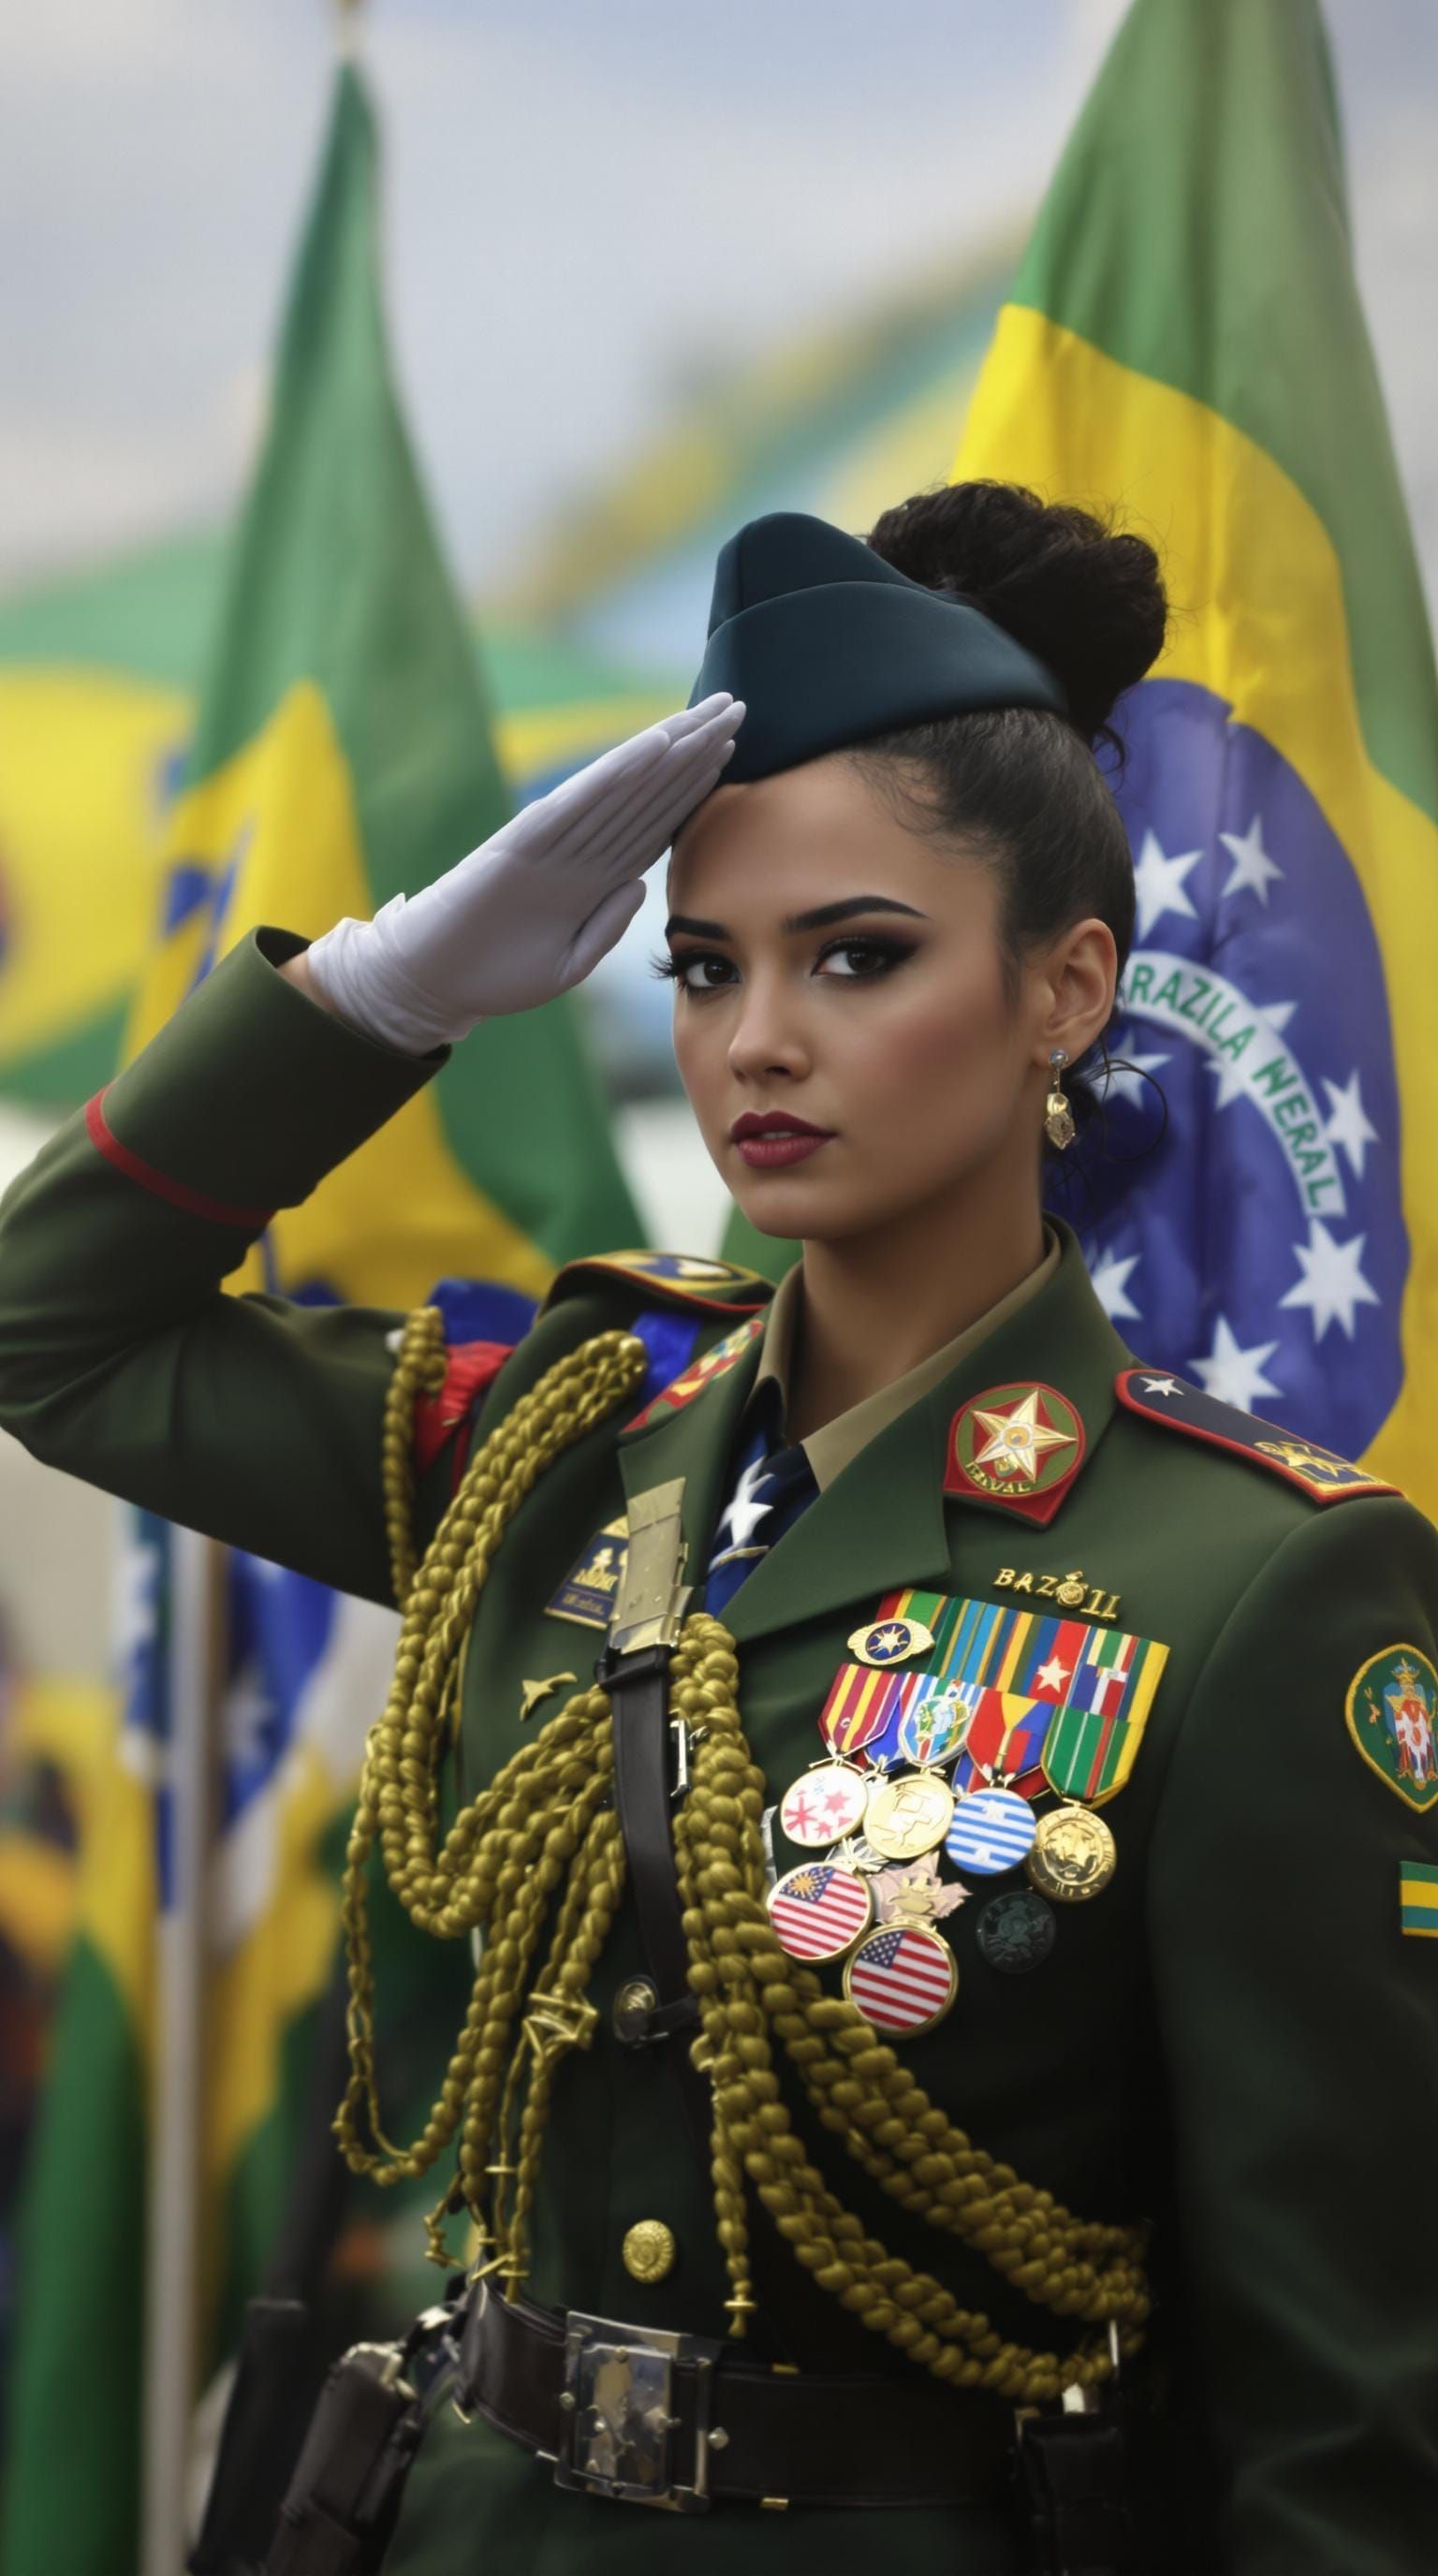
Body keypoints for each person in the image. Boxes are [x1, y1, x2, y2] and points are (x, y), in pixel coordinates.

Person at [0, 482, 1434, 2576]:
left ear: (1065, 988)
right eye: (702, 965)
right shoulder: (562, 1450)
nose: (757, 1037)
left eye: (859, 955)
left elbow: (1348, 2417)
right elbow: (52, 1329)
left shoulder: (1255, 1582)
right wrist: (382, 995)